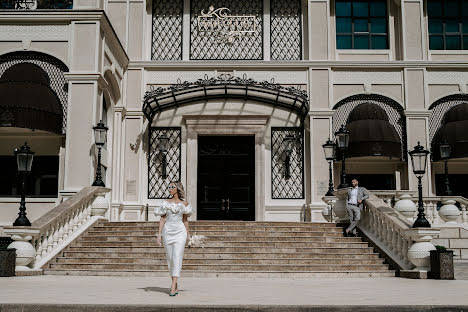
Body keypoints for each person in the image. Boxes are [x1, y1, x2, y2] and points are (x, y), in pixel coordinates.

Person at [155, 181, 192, 296]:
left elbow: (185, 220)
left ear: (178, 188)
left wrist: (188, 235)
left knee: (177, 257)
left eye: (172, 187)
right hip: (168, 232)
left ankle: (172, 286)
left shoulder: (184, 204)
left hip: (180, 232)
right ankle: (175, 283)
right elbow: (162, 219)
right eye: (169, 187)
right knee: (170, 258)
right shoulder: (165, 203)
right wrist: (159, 235)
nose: (170, 188)